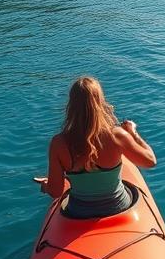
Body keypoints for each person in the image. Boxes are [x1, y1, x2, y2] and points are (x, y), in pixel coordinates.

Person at [37, 76, 157, 218]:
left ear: (71, 105)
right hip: (118, 207)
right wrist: (134, 134)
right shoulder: (117, 136)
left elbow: (55, 192)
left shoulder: (58, 143)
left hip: (78, 212)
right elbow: (150, 161)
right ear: (100, 102)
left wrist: (47, 185)